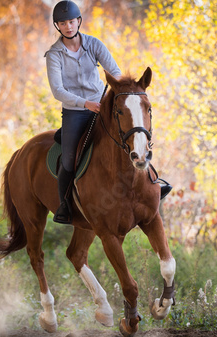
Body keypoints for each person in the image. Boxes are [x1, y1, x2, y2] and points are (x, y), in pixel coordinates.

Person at [45, 0, 172, 224]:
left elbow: (114, 71)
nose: (68, 26)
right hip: (75, 112)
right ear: (58, 26)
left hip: (102, 106)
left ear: (78, 22)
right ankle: (65, 205)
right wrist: (85, 103)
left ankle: (153, 184)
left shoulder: (94, 44)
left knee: (131, 137)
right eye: (63, 23)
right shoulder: (54, 54)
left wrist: (119, 93)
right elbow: (57, 90)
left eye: (72, 21)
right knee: (69, 160)